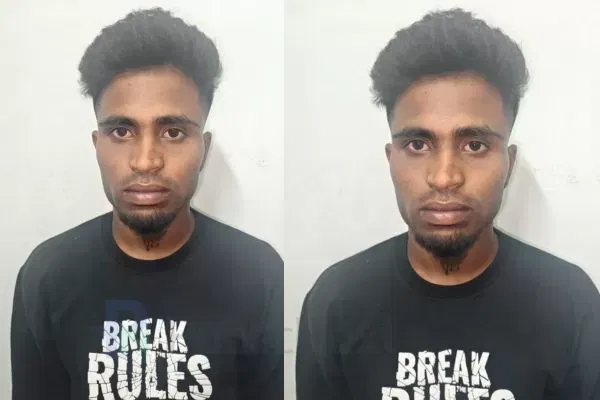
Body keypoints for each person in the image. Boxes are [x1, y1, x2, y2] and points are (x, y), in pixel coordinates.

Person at [296, 8, 600, 400]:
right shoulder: (335, 302)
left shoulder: (571, 304)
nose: (444, 177)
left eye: (475, 145)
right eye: (417, 144)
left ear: (509, 163)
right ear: (391, 160)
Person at [11, 7, 282, 399]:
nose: (145, 161)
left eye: (173, 132)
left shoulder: (262, 276)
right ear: (97, 145)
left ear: (204, 149)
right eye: (122, 131)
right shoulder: (47, 276)